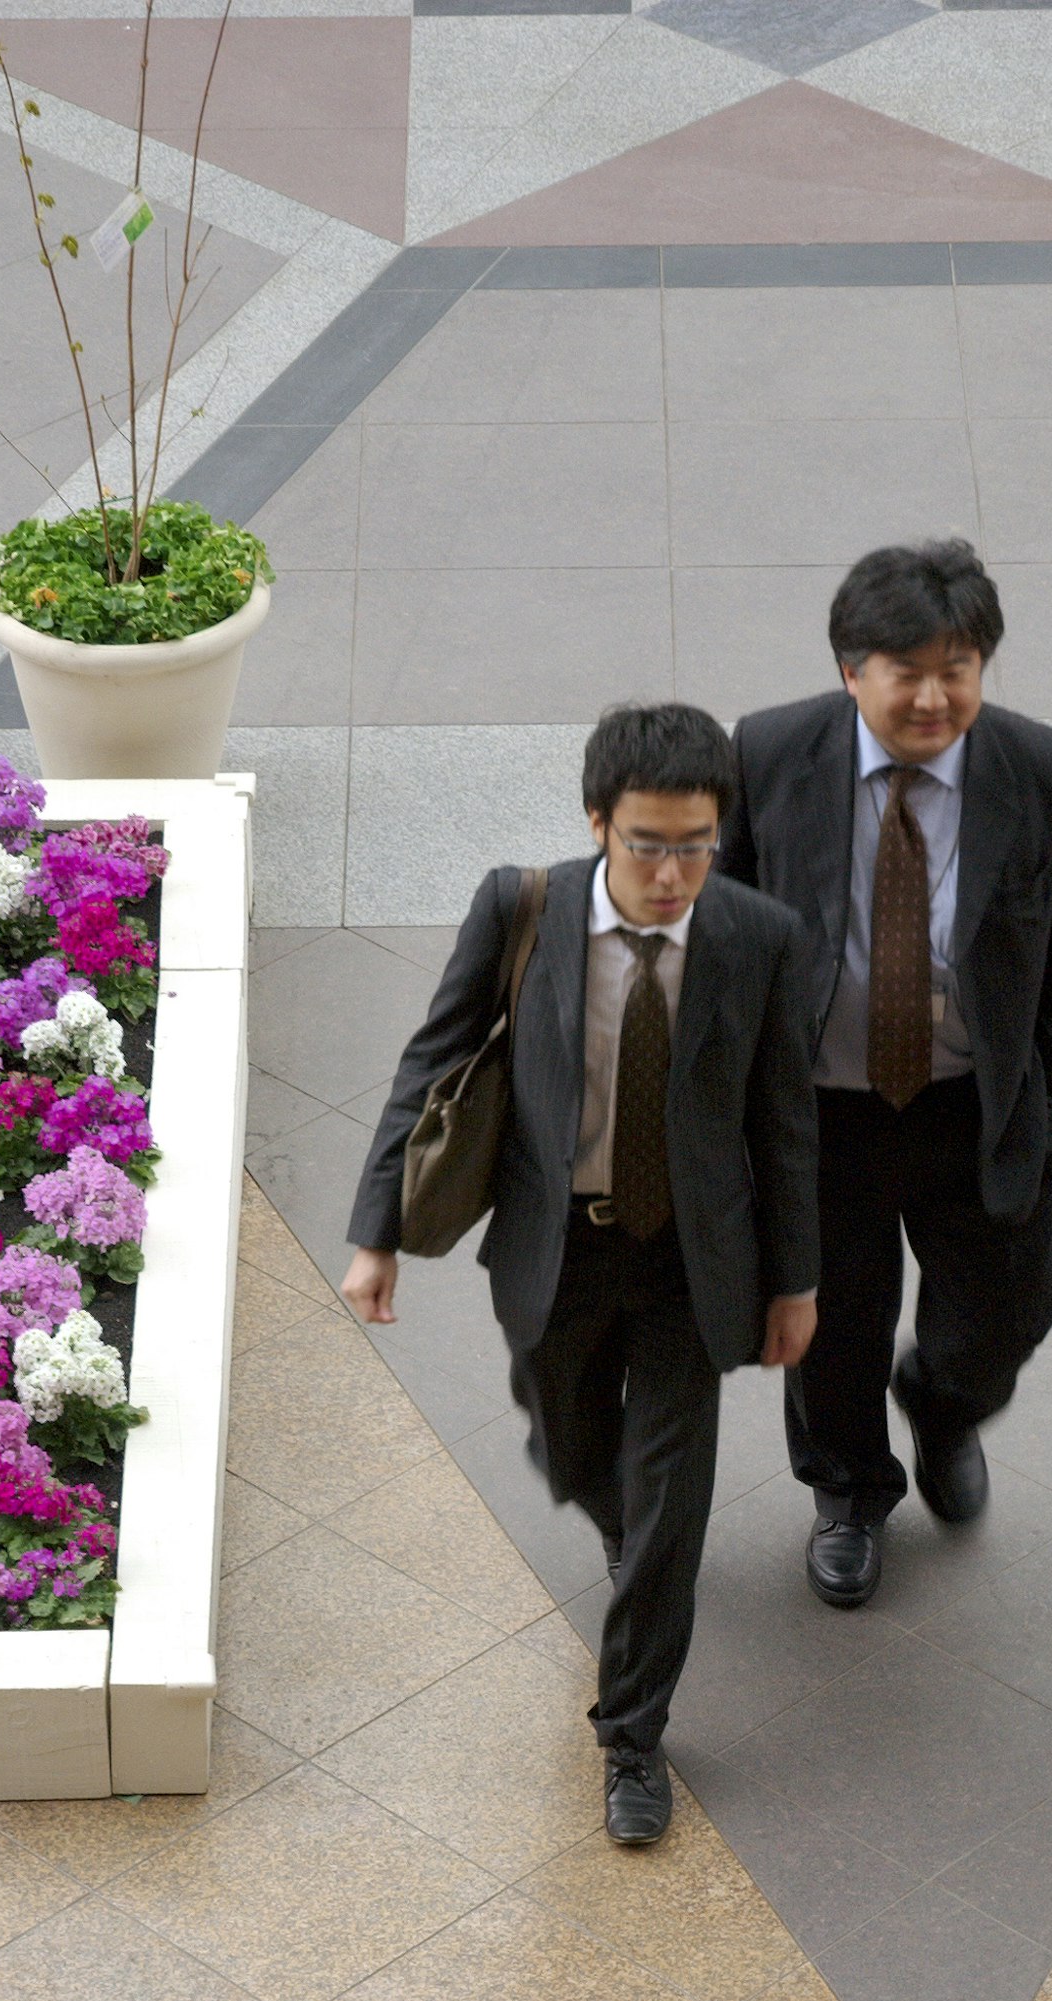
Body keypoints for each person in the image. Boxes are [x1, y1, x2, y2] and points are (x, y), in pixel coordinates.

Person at [344, 704, 820, 1847]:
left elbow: (785, 1120)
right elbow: (434, 1060)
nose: (672, 874)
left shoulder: (759, 936)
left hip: (692, 1262)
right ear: (597, 820)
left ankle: (633, 1734)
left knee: (670, 1508)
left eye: (697, 844)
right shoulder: (525, 907)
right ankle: (621, 1522)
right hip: (559, 1249)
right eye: (648, 843)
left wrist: (795, 1281)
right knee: (571, 1450)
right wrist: (378, 1231)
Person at [719, 538, 1052, 1610]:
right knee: (833, 1324)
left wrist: (1044, 1073)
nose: (937, 698)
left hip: (977, 1108)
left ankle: (944, 1406)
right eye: (910, 673)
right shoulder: (767, 755)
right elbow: (725, 922)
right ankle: (850, 1493)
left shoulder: (1049, 772)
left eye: (960, 670)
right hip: (825, 1113)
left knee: (1004, 1308)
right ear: (852, 670)